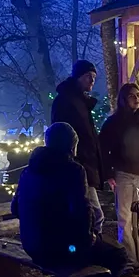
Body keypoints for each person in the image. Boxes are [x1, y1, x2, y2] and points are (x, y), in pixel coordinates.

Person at [11, 122, 127, 277]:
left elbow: (15, 208)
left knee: (92, 250)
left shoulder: (30, 169)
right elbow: (81, 212)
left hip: (32, 245)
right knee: (117, 254)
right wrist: (86, 241)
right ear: (71, 144)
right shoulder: (72, 169)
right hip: (61, 249)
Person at [99, 83, 139, 277]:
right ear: (124, 99)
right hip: (123, 174)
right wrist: (109, 173)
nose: (136, 99)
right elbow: (103, 149)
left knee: (138, 220)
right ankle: (128, 260)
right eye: (132, 96)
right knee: (125, 219)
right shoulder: (114, 123)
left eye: (138, 95)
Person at [50, 59, 105, 236]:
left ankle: (85, 253)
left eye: (94, 77)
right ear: (78, 77)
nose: (92, 80)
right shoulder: (66, 102)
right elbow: (60, 134)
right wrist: (71, 162)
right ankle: (89, 254)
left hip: (85, 165)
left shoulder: (82, 103)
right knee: (94, 215)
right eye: (88, 76)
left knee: (88, 215)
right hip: (77, 167)